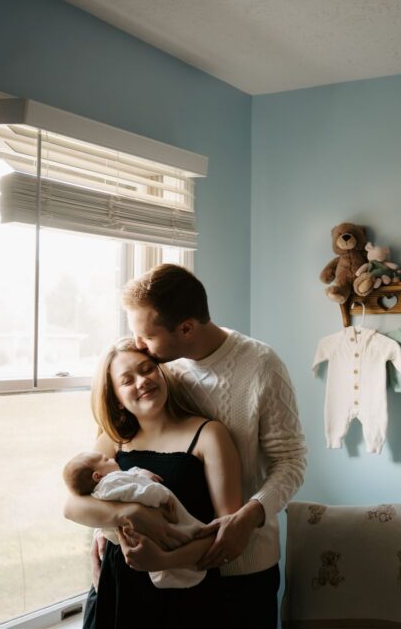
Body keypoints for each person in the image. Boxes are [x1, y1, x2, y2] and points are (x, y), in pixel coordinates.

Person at [66, 264, 307, 628]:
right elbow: (105, 469)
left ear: (186, 329)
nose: (138, 345)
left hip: (243, 565)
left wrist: (248, 516)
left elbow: (291, 461)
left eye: (145, 335)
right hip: (161, 576)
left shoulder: (262, 366)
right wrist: (112, 526)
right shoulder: (161, 369)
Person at [64, 337, 243, 628]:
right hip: (118, 589)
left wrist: (162, 560)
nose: (142, 381)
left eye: (147, 369)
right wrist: (129, 514)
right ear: (117, 400)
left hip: (184, 591)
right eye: (127, 380)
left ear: (161, 372)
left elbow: (227, 533)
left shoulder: (208, 435)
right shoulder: (115, 442)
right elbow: (71, 506)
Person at [63, 451, 208, 589]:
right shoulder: (108, 484)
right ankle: (179, 570)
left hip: (133, 555)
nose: (113, 459)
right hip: (129, 557)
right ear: (97, 476)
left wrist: (140, 473)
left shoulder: (107, 482)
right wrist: (161, 495)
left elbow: (128, 478)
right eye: (106, 460)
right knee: (175, 538)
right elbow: (133, 491)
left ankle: (176, 569)